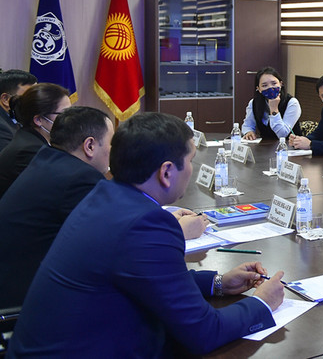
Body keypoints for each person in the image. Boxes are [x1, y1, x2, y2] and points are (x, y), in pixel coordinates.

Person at [8, 112, 284, 358]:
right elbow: (204, 332)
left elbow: (147, 277)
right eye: (190, 161)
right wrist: (263, 303)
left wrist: (218, 282)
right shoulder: (145, 224)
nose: (192, 170)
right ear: (166, 172)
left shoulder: (106, 194)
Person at [0, 106, 114, 308]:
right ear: (89, 145)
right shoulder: (79, 178)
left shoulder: (47, 159)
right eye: (111, 143)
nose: (112, 151)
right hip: (27, 302)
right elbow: (110, 241)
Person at [0, 83, 71, 199]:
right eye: (64, 114)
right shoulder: (29, 150)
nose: (71, 119)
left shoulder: (31, 139)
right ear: (38, 120)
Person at [241, 66, 301, 141]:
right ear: (258, 89)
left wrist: (274, 109)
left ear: (281, 84)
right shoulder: (254, 103)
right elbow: (248, 125)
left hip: (289, 145)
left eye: (274, 83)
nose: (270, 88)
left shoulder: (292, 103)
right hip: (265, 145)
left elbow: (282, 134)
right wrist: (248, 132)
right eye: (264, 85)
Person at [0, 69, 37, 151]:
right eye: (29, 97)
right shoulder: (2, 128)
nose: (35, 102)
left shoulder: (18, 118)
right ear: (6, 99)